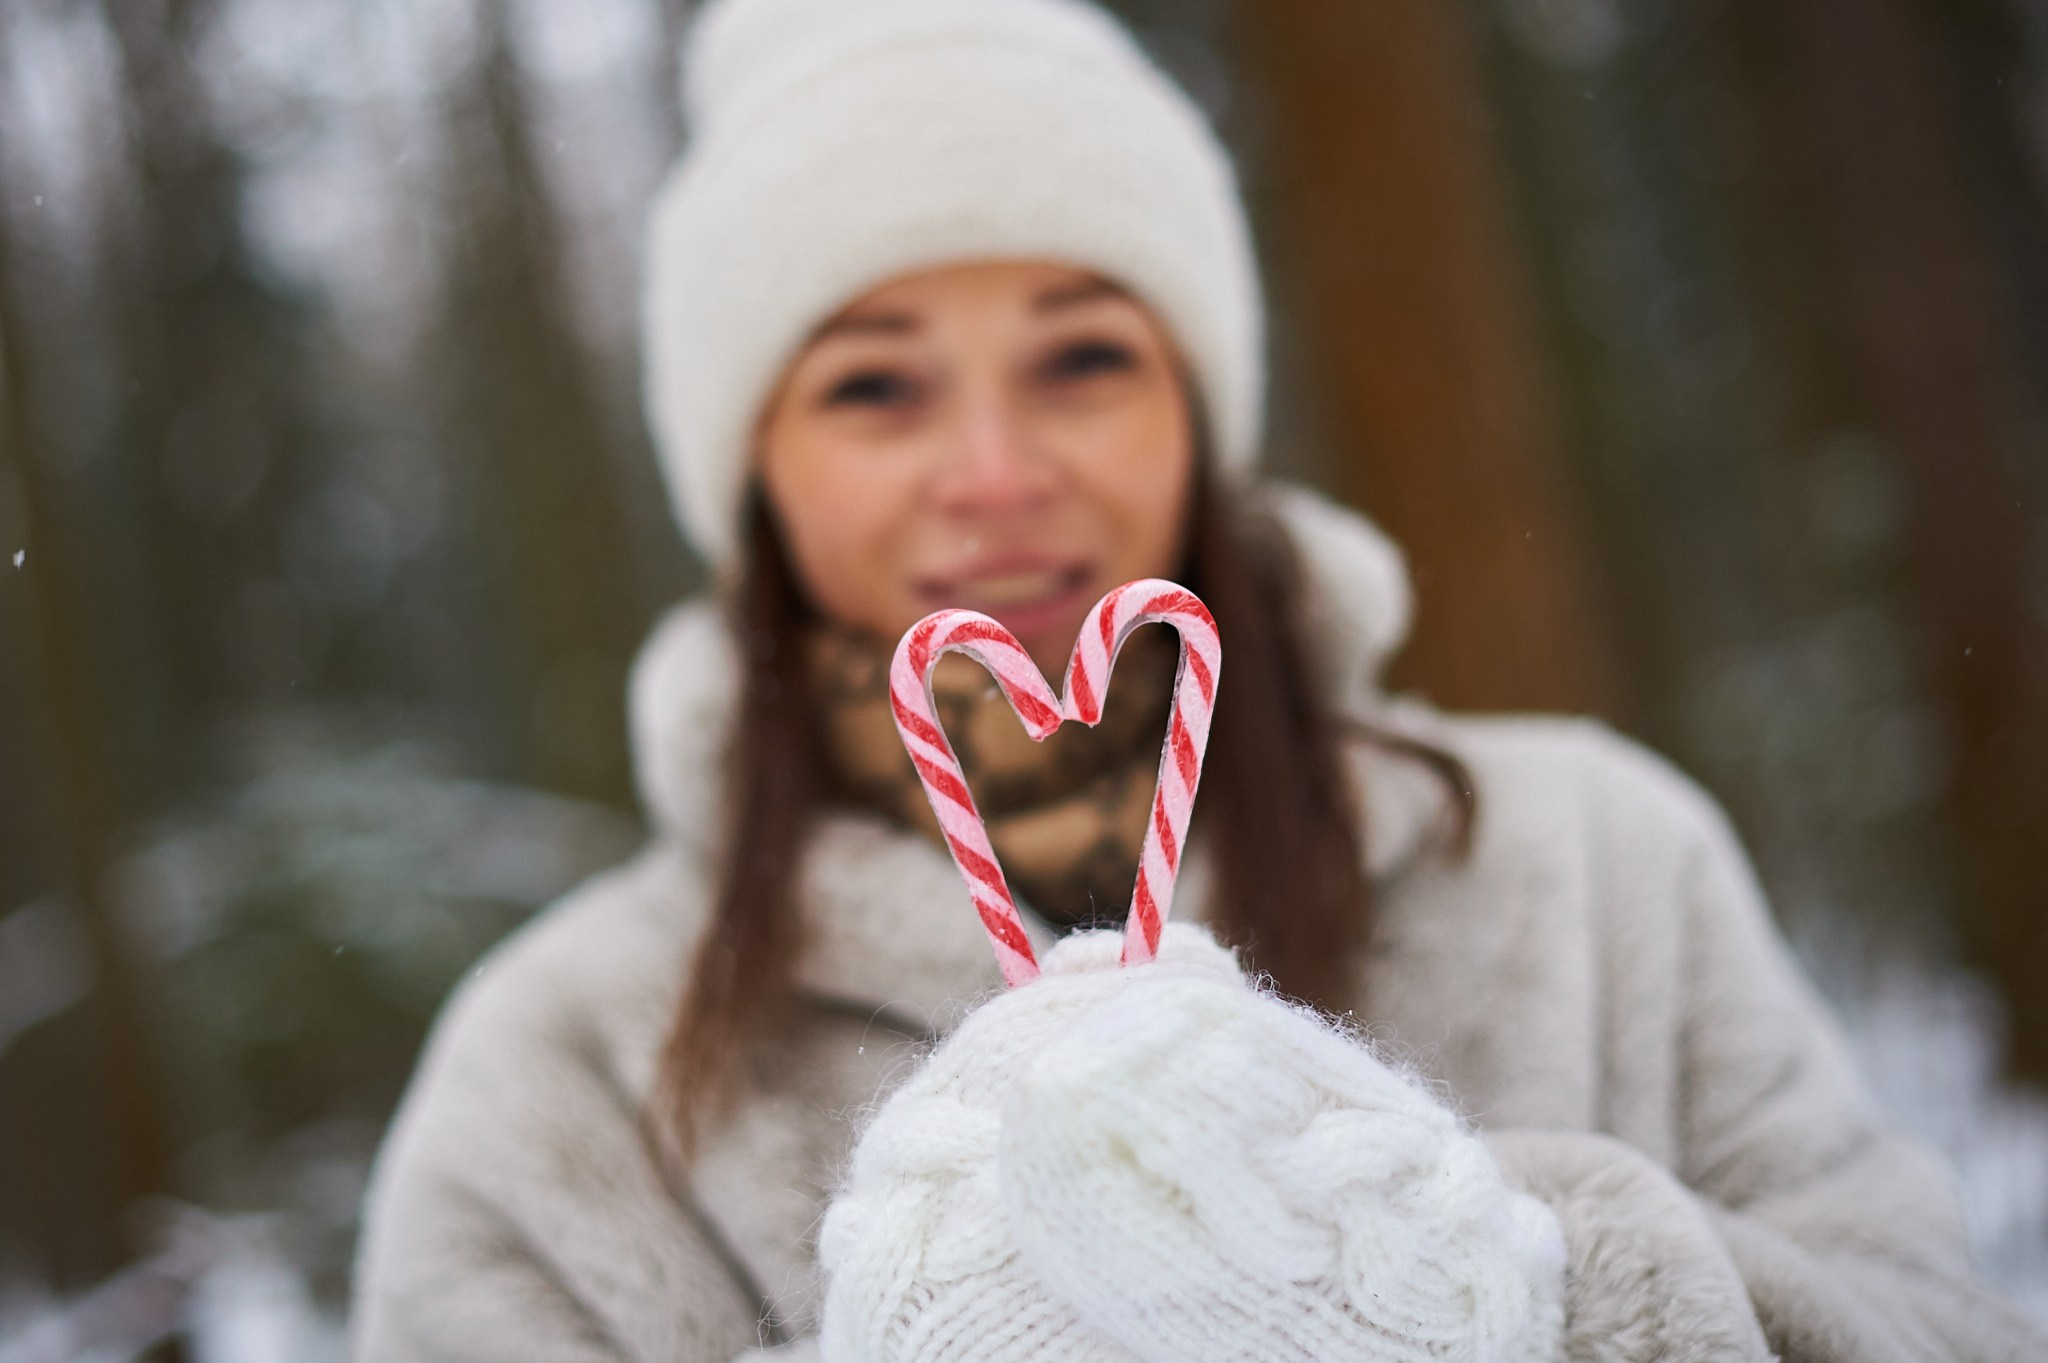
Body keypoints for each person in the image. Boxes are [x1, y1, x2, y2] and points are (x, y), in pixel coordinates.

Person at [348, 0, 2046, 1359]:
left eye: (1084, 356)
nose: (996, 469)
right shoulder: (559, 1077)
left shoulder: (1596, 863)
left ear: (1200, 405)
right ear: (753, 477)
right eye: (877, 388)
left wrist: (1516, 1297)